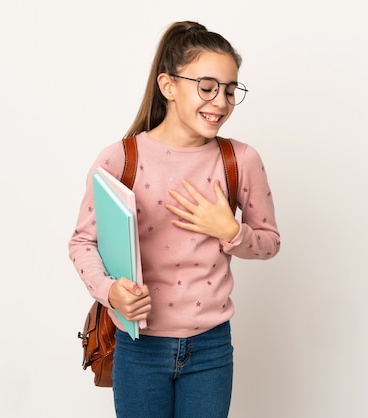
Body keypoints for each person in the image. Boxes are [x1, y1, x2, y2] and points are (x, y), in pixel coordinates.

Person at [68, 20, 280, 418]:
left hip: (211, 348)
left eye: (230, 90)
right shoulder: (121, 159)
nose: (220, 102)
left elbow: (270, 241)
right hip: (139, 347)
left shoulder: (241, 160)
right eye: (206, 87)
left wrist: (231, 231)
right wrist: (110, 292)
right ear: (168, 86)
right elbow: (82, 242)